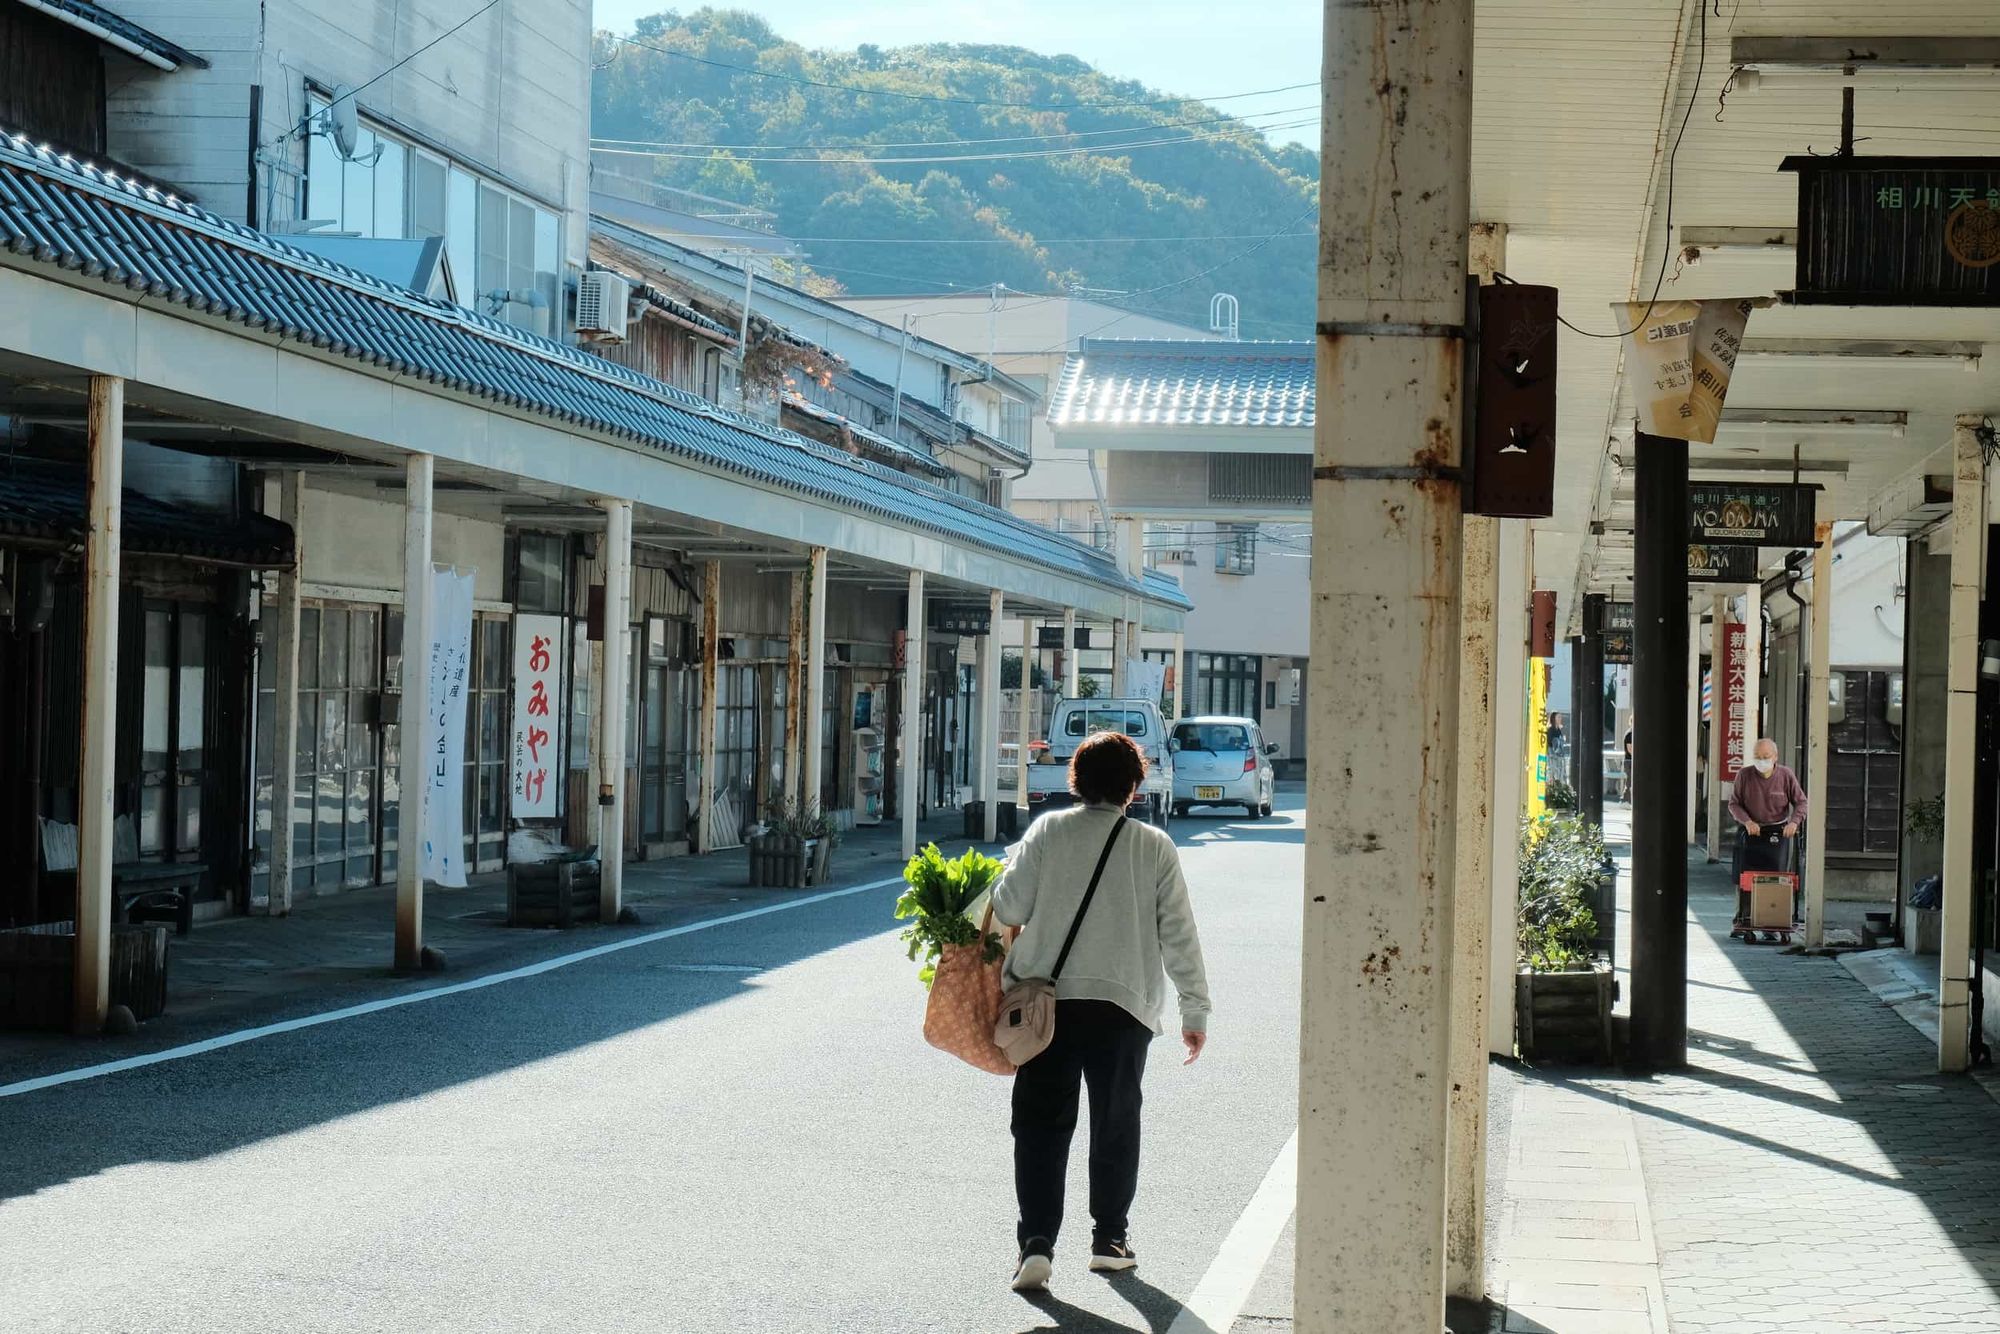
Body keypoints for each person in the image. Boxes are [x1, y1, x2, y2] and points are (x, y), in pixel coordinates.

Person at [991, 729, 1211, 1293]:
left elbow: (1009, 904)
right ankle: (1109, 1240)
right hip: (1123, 1007)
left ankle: (1036, 1244)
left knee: (1040, 1126)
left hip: (1047, 1005)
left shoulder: (1047, 830)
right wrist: (1194, 1009)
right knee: (1115, 1122)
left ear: (1076, 782)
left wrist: (1019, 862)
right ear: (1133, 788)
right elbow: (1179, 935)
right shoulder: (1154, 846)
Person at [1730, 737, 1809, 918]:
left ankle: (1772, 919)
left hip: (1777, 832)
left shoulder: (1785, 775)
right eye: (1757, 756)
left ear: (1775, 757)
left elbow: (1801, 803)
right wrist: (1747, 821)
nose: (1761, 760)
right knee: (1745, 877)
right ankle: (1743, 917)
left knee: (1775, 877)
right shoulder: (1744, 775)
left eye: (1766, 756)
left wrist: (1794, 822)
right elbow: (1734, 804)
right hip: (1750, 830)